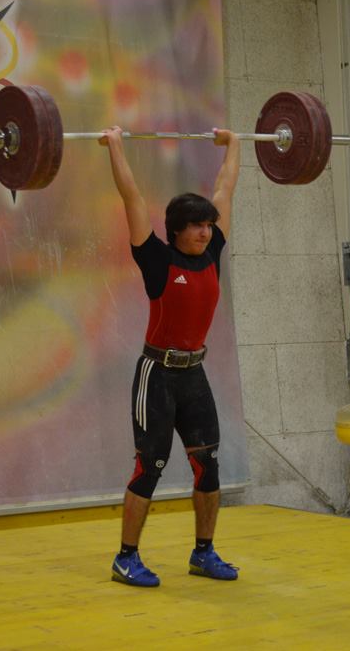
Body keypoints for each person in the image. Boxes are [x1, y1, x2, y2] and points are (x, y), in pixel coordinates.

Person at [100, 125, 241, 587]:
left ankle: (204, 553)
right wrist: (117, 146)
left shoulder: (213, 250)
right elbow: (133, 199)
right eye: (197, 226)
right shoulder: (157, 260)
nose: (206, 231)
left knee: (209, 463)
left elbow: (226, 187)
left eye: (208, 224)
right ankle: (126, 558)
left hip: (194, 375)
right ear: (177, 230)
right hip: (156, 374)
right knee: (151, 466)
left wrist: (234, 144)